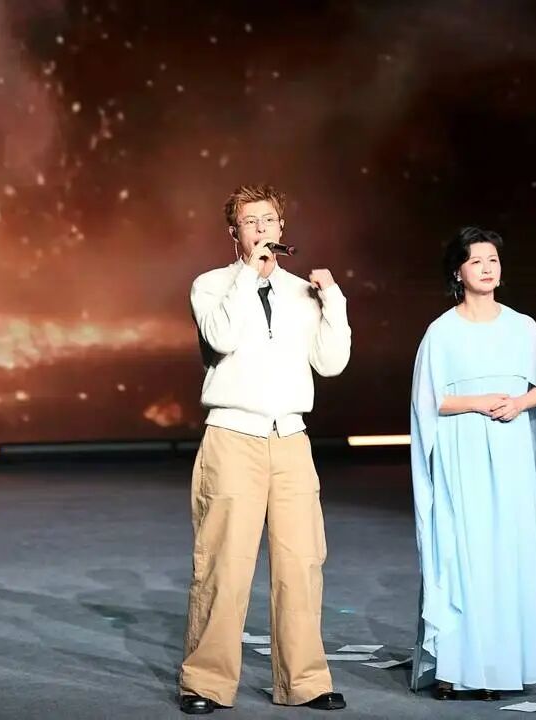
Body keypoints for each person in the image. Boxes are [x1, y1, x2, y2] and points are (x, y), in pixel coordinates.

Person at [178, 183, 352, 715]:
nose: (261, 230)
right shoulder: (211, 285)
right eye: (250, 222)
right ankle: (205, 683)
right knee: (224, 564)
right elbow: (222, 338)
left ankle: (305, 681)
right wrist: (247, 278)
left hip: (291, 439)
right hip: (233, 436)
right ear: (234, 232)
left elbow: (331, 363)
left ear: (282, 228)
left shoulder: (302, 291)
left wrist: (333, 302)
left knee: (302, 563)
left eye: (269, 220)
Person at [409, 226, 536, 699]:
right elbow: (429, 402)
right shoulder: (441, 332)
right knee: (466, 553)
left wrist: (519, 402)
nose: (487, 268)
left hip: (511, 452)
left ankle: (502, 668)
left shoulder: (523, 327)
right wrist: (477, 401)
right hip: (463, 452)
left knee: (508, 555)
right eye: (476, 261)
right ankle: (457, 669)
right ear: (458, 271)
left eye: (493, 260)